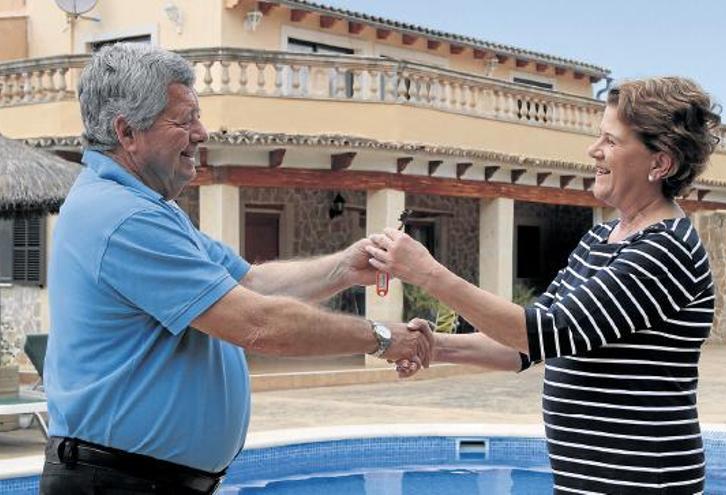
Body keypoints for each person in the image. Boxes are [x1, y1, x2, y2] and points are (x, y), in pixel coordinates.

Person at [40, 43, 432, 494]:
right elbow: (258, 324)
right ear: (127, 132)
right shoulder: (124, 218)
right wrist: (384, 339)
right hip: (117, 483)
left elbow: (250, 282)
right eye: (184, 120)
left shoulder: (143, 207)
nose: (202, 132)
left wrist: (344, 267)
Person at [369, 76, 720, 494]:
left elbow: (549, 332)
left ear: (660, 164)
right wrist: (434, 345)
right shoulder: (598, 240)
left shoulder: (667, 248)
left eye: (611, 140)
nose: (594, 151)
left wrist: (427, 272)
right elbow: (525, 344)